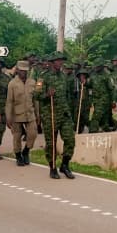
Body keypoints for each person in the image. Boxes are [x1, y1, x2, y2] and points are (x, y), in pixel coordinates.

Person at [33, 51, 76, 179]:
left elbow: (67, 95)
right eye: (58, 60)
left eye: (61, 60)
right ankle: (52, 167)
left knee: (70, 140)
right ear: (51, 63)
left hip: (64, 113)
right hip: (50, 114)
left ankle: (65, 164)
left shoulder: (63, 76)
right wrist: (47, 95)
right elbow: (36, 95)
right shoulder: (43, 77)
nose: (60, 63)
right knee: (51, 143)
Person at [5, 60, 37, 166]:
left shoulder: (32, 82)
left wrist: (38, 113)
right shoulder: (12, 84)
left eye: (25, 70)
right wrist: (8, 117)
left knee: (33, 134)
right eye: (21, 70)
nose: (24, 72)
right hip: (16, 114)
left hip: (30, 112)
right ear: (17, 70)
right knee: (17, 136)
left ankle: (26, 151)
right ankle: (18, 155)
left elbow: (35, 99)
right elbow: (9, 101)